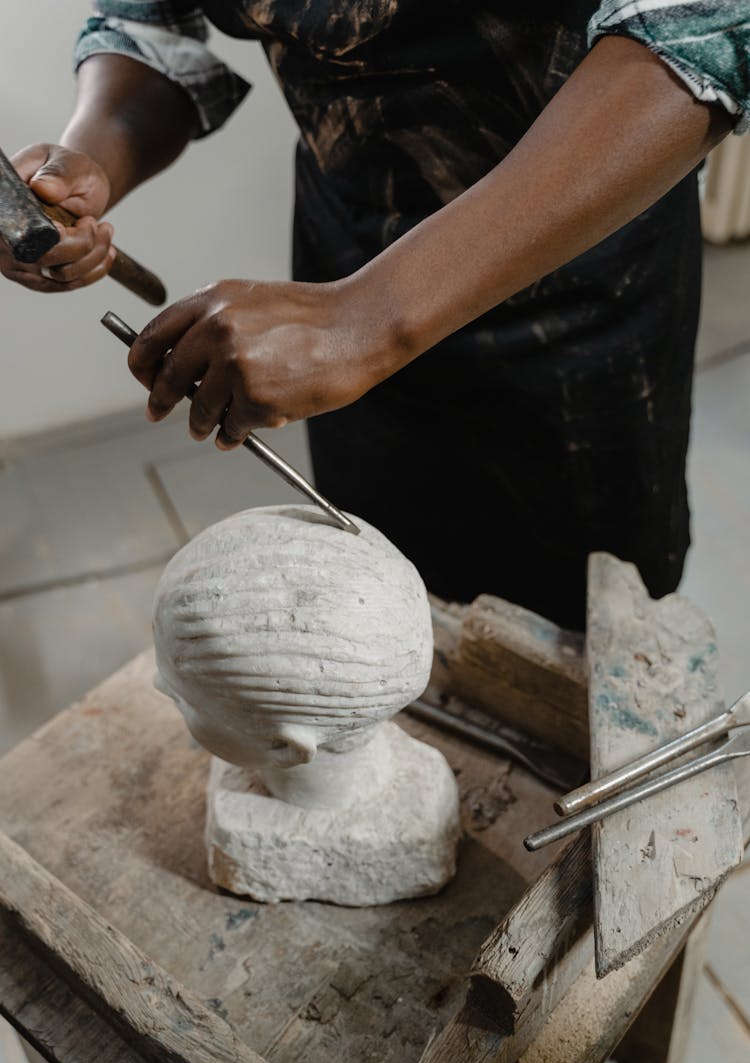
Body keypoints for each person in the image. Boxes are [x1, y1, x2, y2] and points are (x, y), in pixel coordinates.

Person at [1, 2, 747, 630]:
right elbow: (153, 21)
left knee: (580, 641)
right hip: (349, 235)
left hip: (573, 275)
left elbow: (696, 36)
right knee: (380, 597)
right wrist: (88, 157)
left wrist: (367, 318)